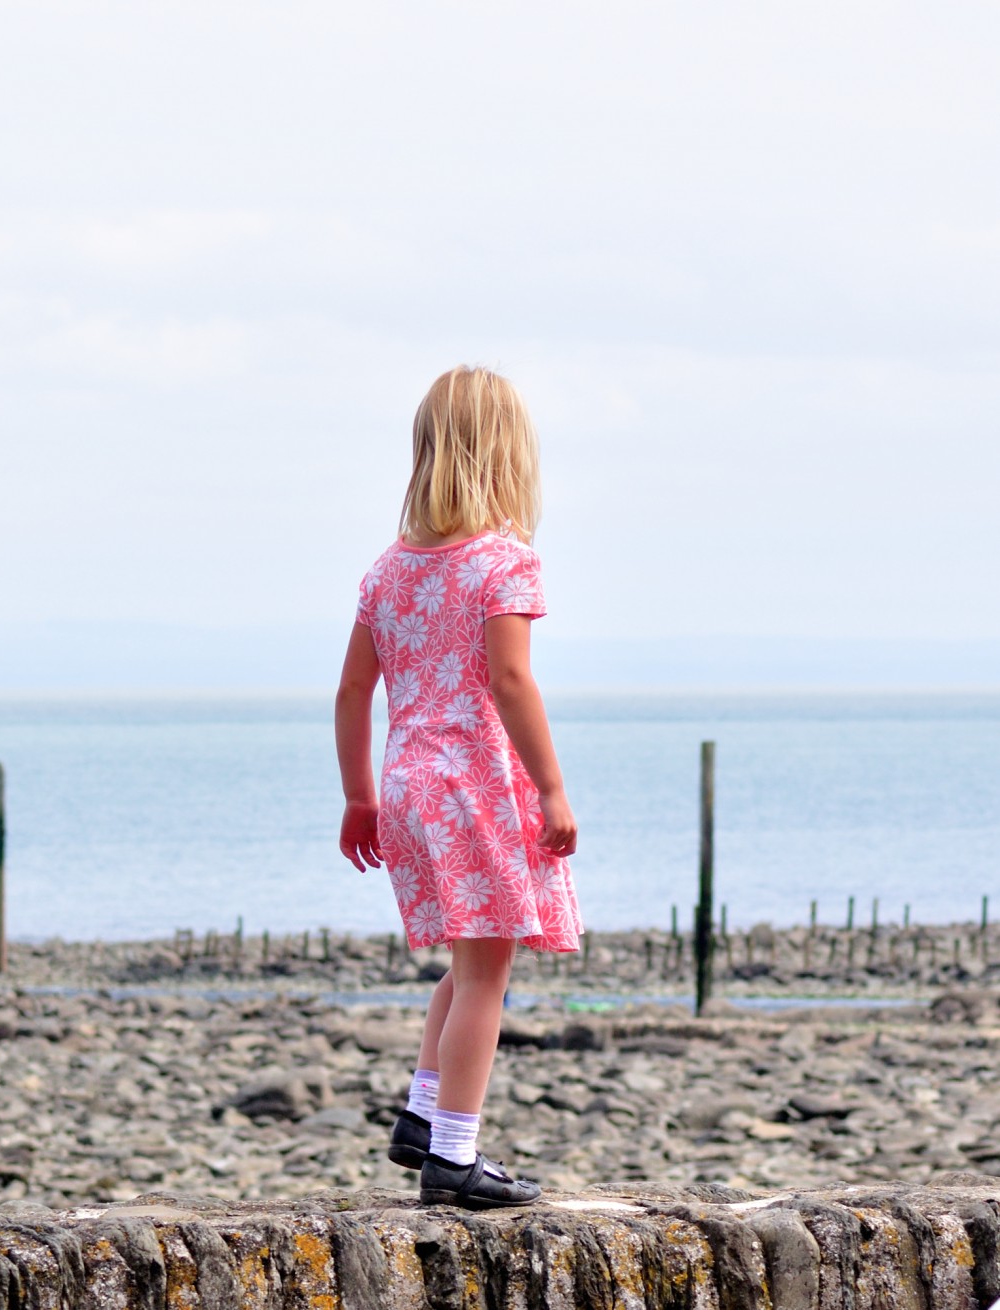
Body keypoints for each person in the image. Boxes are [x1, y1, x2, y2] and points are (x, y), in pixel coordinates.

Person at [335, 365, 583, 1210]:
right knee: (487, 976)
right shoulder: (504, 562)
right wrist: (551, 790)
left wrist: (359, 797)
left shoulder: (389, 571)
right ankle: (455, 1156)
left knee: (470, 955)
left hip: (407, 784)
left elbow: (350, 692)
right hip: (475, 784)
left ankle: (423, 1112)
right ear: (508, 455)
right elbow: (510, 682)